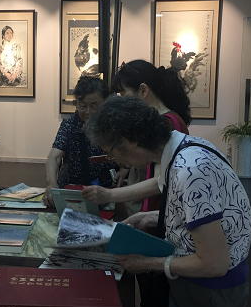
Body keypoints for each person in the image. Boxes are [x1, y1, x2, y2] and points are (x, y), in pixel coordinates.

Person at [85, 96, 251, 307]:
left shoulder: (190, 170)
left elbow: (215, 263)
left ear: (129, 141)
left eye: (111, 152)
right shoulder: (183, 148)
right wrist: (149, 216)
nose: (116, 160)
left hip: (209, 288)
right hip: (199, 283)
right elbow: (192, 210)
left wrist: (147, 263)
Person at [82, 60, 191, 218]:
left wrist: (109, 195)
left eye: (124, 95)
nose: (123, 102)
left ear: (143, 90)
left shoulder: (167, 123)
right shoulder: (164, 119)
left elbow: (159, 181)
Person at [43, 76, 116, 207]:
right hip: (73, 191)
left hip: (107, 191)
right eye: (82, 106)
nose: (88, 111)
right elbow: (54, 157)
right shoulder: (70, 125)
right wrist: (51, 184)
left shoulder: (113, 124)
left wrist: (124, 171)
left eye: (94, 106)